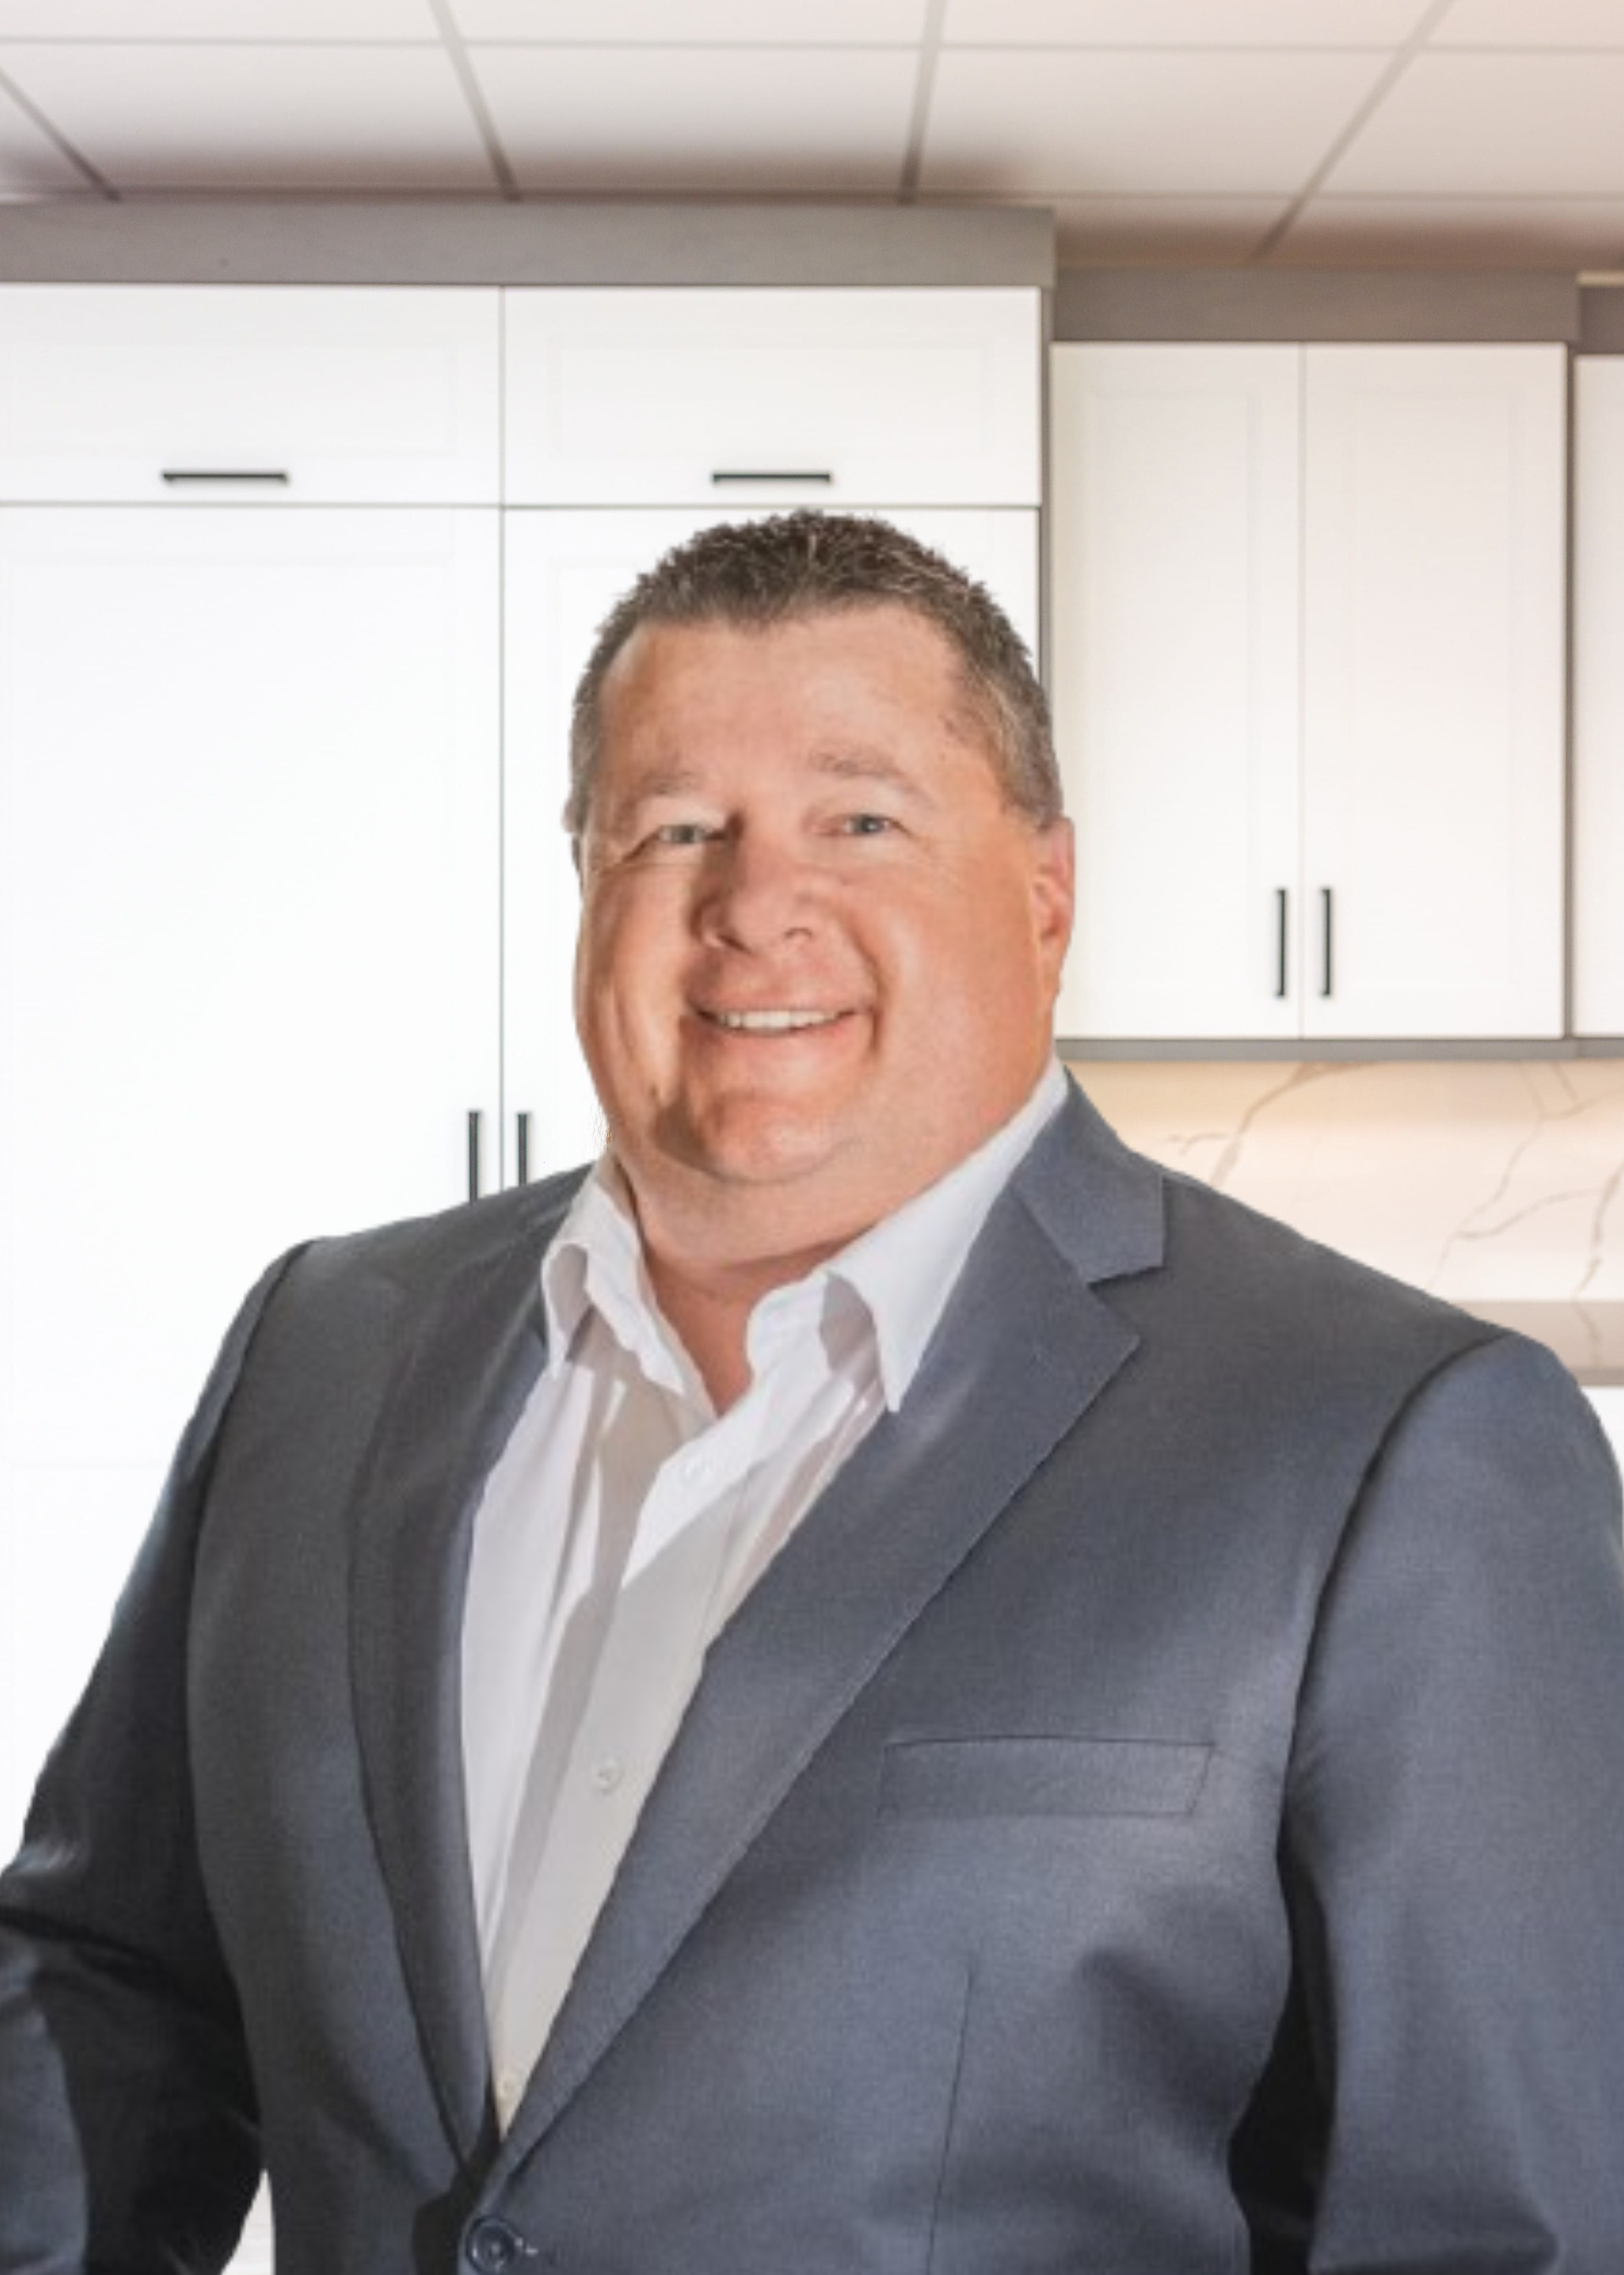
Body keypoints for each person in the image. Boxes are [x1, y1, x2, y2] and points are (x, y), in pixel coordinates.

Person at [3, 510, 1622, 2275]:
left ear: (1047, 894)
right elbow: (113, 1984)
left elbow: (1499, 2237)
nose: (753, 905)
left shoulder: (1392, 1445)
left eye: (860, 821)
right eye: (675, 827)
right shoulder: (324, 1347)